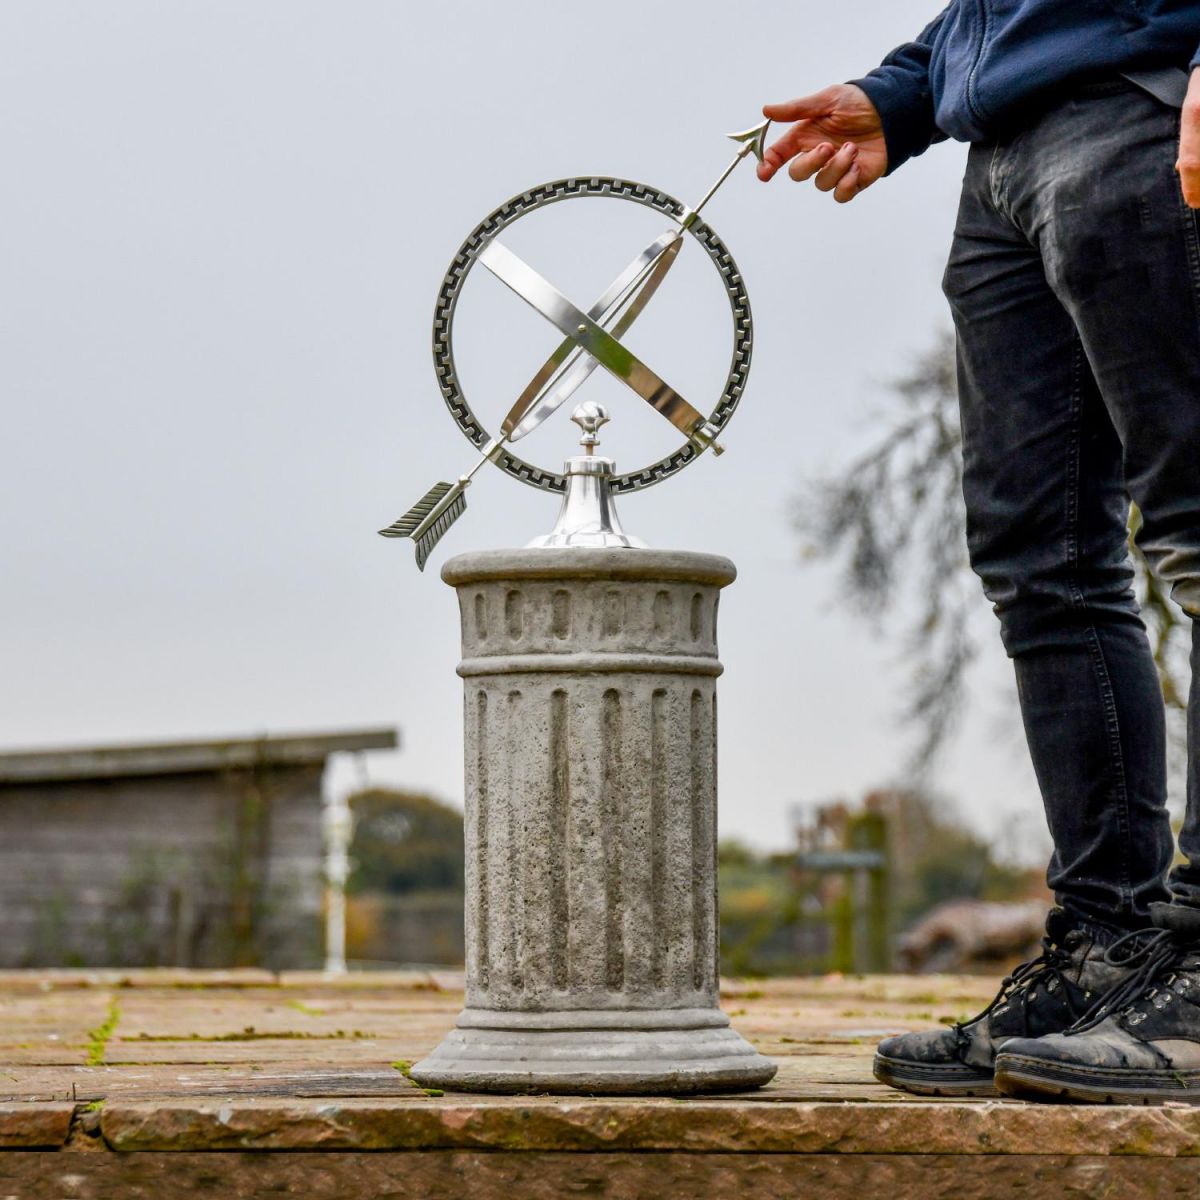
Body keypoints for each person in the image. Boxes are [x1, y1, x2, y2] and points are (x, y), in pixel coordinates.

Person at [758, 2, 1200, 1104]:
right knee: (1038, 565)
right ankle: (1109, 949)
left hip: (1145, 110)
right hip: (1001, 153)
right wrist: (905, 93)